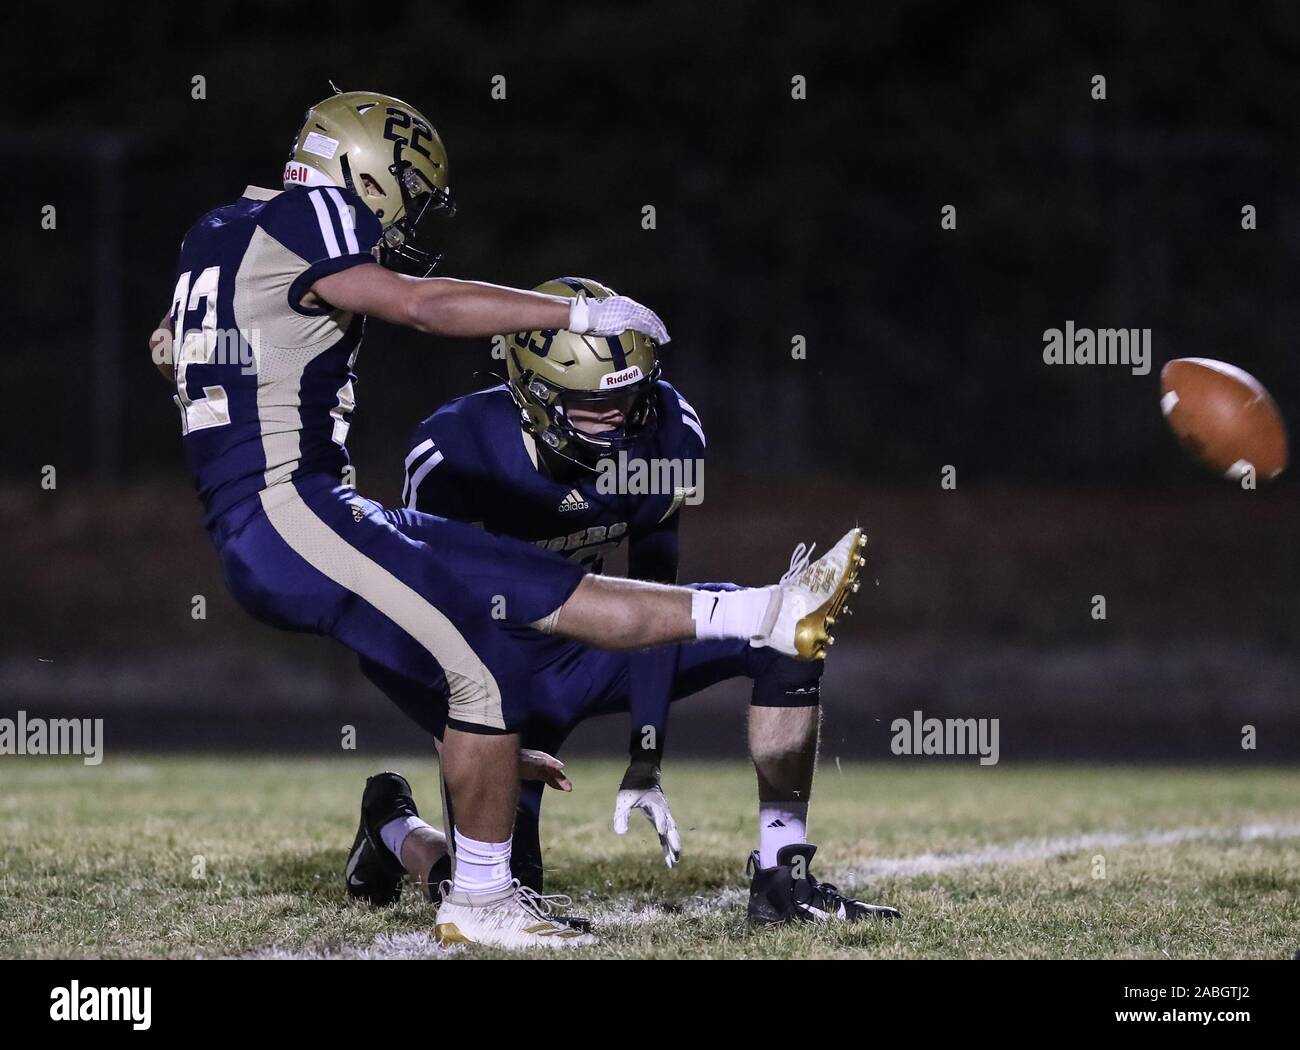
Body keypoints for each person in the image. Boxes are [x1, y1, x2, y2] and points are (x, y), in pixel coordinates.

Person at [153, 91, 865, 949]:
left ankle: (766, 612)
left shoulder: (219, 231)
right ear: (363, 167)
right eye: (408, 188)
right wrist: (572, 311)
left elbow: (169, 345)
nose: (409, 211)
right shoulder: (314, 217)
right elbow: (420, 306)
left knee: (541, 587)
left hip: (297, 511)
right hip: (290, 508)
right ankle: (475, 899)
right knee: (485, 678)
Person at [347, 278, 897, 928]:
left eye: (631, 398)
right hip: (491, 670)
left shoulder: (669, 429)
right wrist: (467, 732)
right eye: (593, 405)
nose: (622, 419)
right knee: (491, 895)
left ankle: (785, 879)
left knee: (784, 633)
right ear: (535, 397)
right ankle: (392, 825)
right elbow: (417, 622)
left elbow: (656, 593)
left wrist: (646, 751)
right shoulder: (456, 456)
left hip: (594, 642)